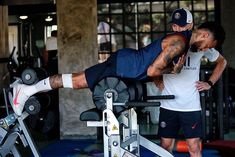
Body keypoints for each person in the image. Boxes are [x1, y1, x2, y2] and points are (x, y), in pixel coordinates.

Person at [10, 14, 224, 117]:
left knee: (75, 80)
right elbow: (152, 71)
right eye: (208, 45)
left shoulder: (184, 41)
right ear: (204, 34)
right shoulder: (180, 42)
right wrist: (172, 71)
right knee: (76, 81)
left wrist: (166, 72)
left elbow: (153, 67)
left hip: (125, 66)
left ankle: (27, 88)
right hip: (124, 66)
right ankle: (26, 90)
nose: (205, 49)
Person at [156, 9, 227, 157]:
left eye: (181, 26)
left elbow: (222, 61)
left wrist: (210, 82)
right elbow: (152, 65)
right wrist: (156, 80)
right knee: (165, 146)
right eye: (175, 26)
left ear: (191, 25)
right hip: (168, 104)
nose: (177, 29)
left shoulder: (201, 44)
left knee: (194, 147)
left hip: (190, 106)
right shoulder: (167, 42)